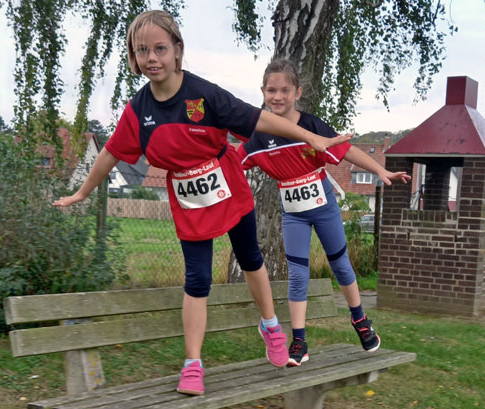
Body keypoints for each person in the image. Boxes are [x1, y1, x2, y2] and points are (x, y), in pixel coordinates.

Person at [52, 11, 352, 396]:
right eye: (142, 50)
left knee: (251, 258)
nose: (152, 58)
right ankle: (192, 363)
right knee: (197, 278)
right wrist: (82, 191)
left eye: (160, 48)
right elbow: (109, 154)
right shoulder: (138, 110)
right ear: (133, 56)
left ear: (177, 50)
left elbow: (261, 119)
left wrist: (310, 138)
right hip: (189, 200)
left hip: (227, 185)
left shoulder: (204, 95)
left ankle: (270, 325)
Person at [237, 59, 411, 367]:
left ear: (298, 92)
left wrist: (381, 171)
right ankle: (300, 341)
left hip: (324, 207)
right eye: (271, 90)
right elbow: (230, 163)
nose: (278, 97)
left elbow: (347, 150)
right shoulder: (257, 137)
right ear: (262, 92)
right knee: (298, 276)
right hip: (293, 214)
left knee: (341, 266)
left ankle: (360, 320)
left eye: (285, 90)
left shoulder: (312, 126)